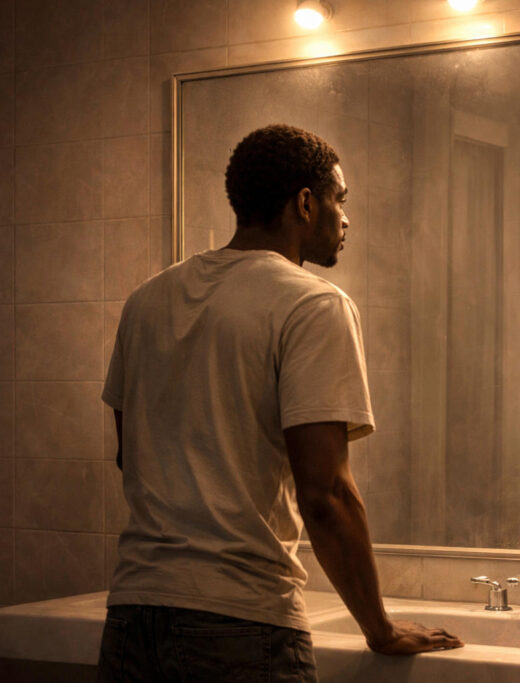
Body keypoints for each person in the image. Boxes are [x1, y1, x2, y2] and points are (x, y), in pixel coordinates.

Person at [97, 124, 461, 682]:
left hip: (131, 618)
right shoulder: (313, 305)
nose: (347, 218)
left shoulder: (147, 300)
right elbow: (328, 495)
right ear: (306, 203)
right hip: (240, 622)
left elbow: (134, 456)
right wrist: (379, 628)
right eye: (340, 199)